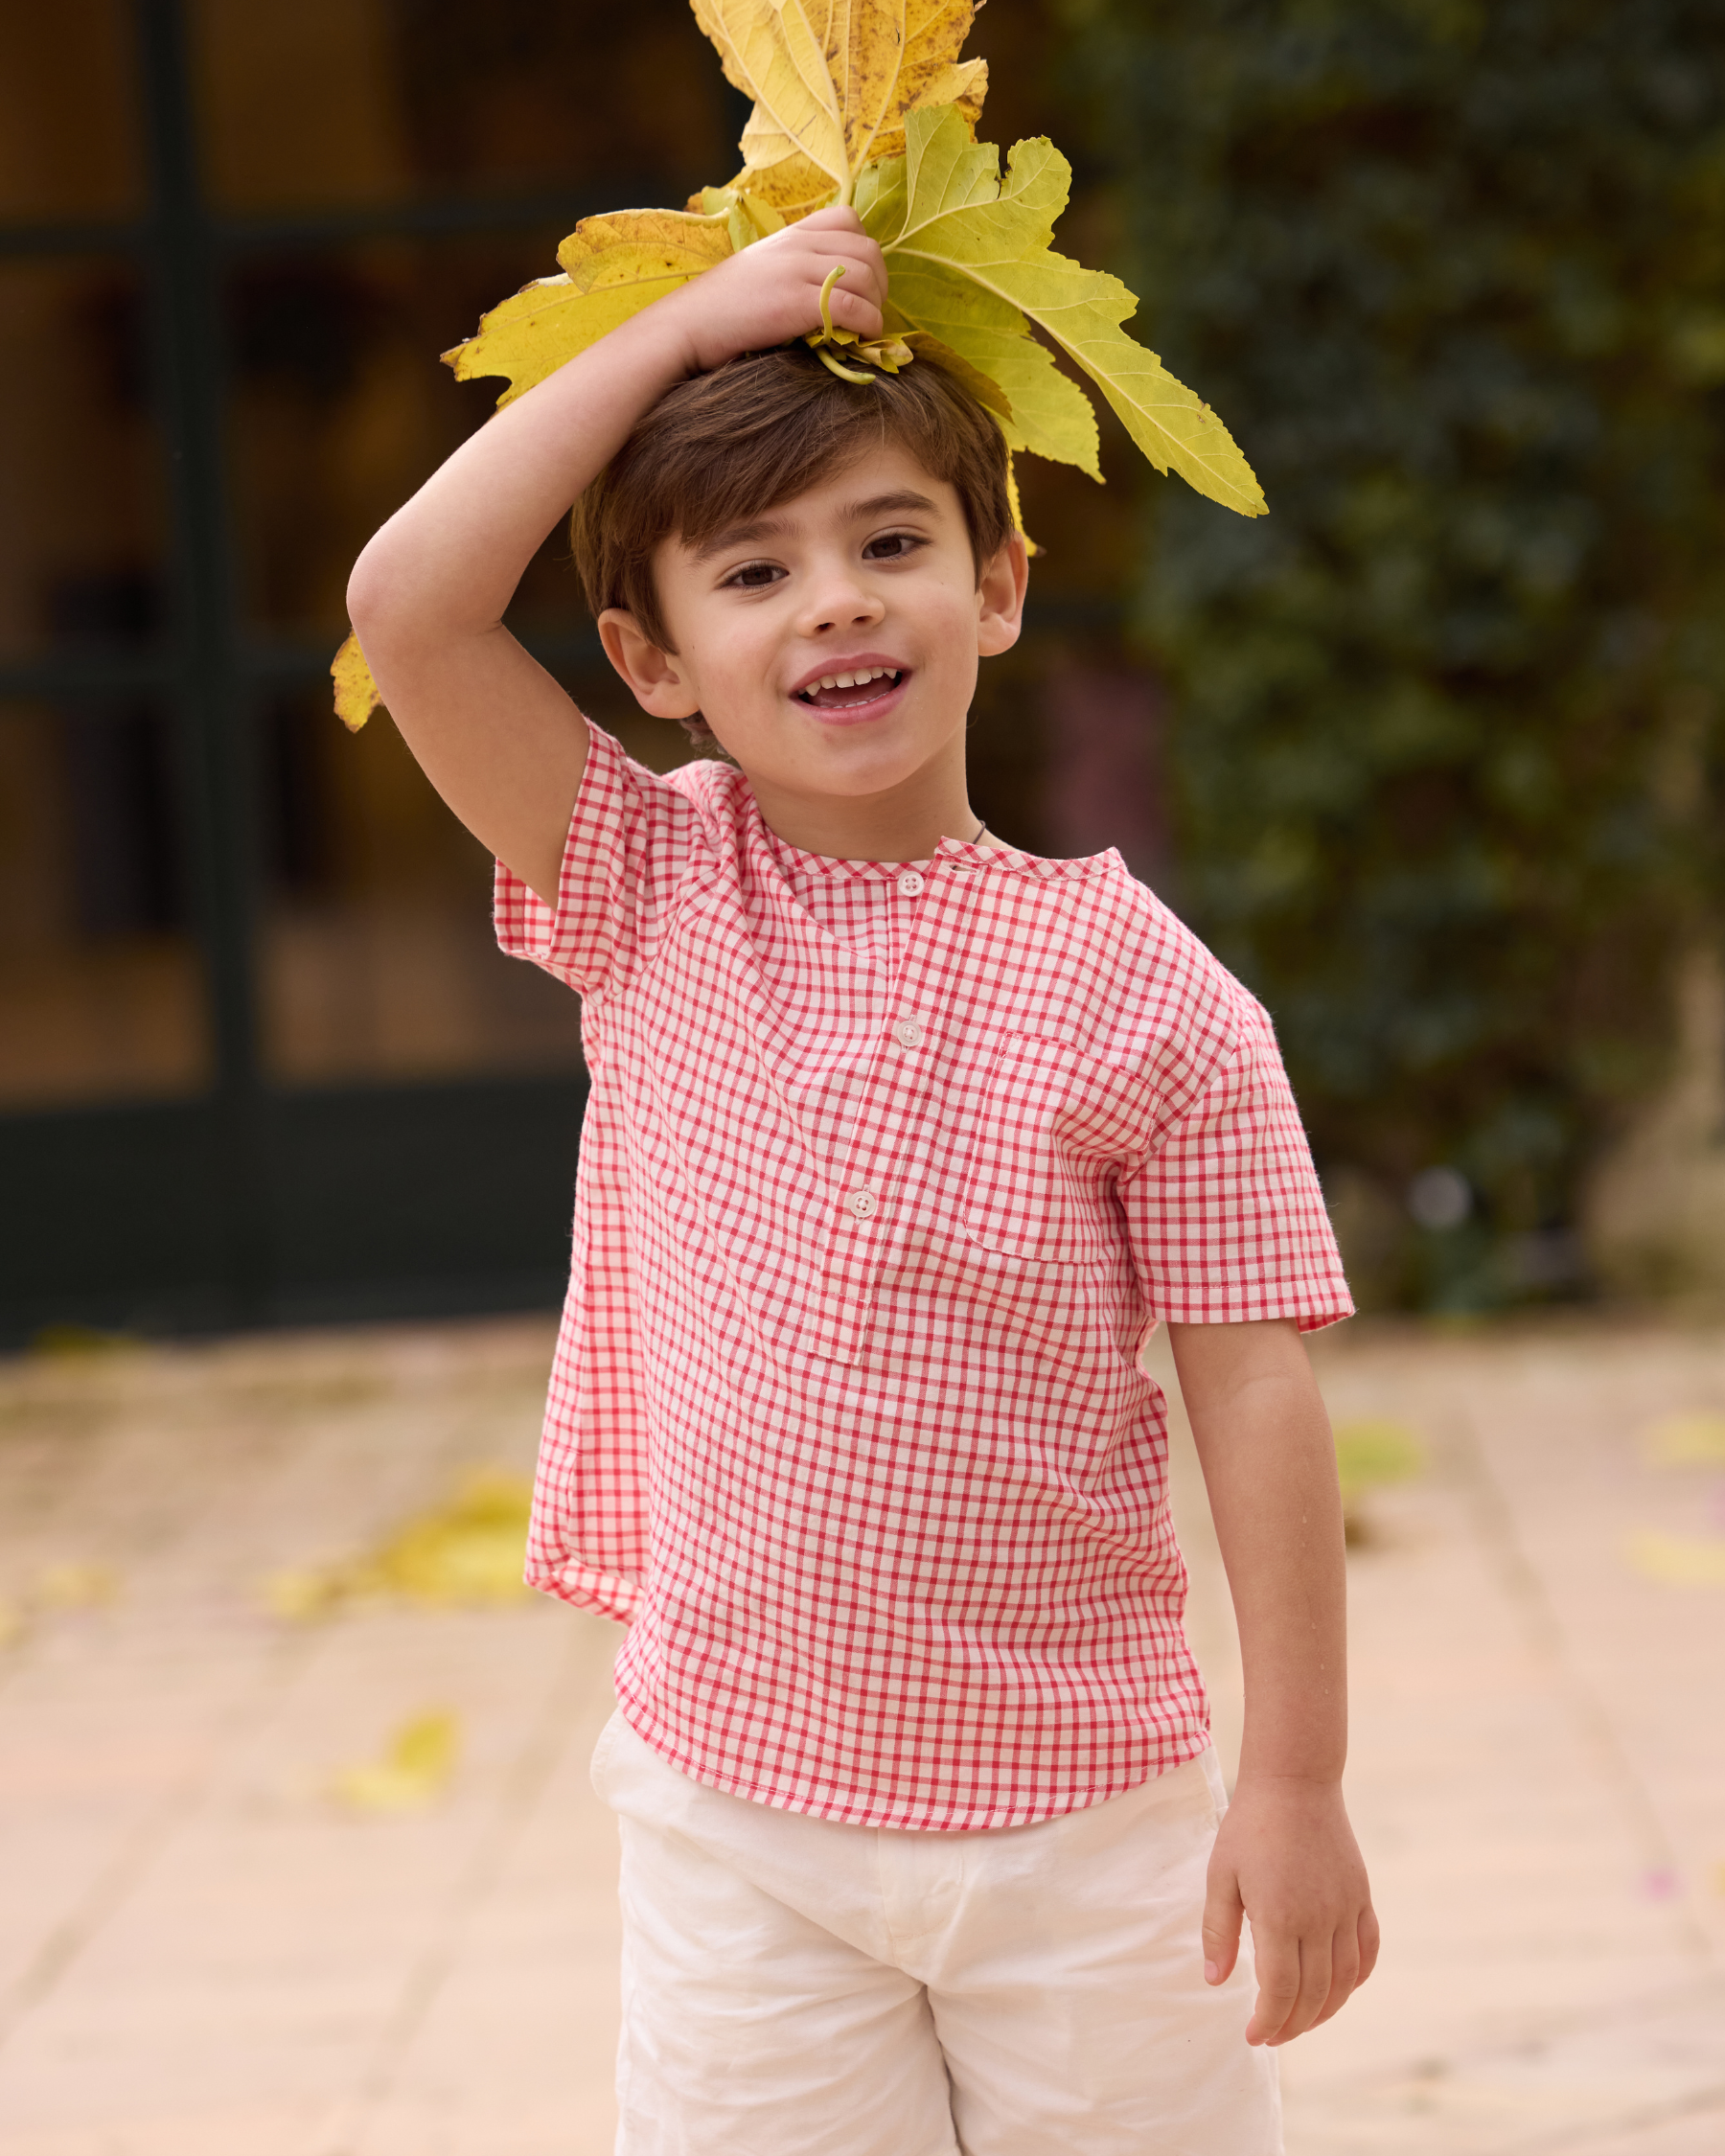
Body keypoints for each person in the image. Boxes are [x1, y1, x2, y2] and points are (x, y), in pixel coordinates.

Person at [347, 204, 1378, 2156]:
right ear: (653, 660)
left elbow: (1255, 1384)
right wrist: (686, 333)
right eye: (756, 570)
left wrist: (1298, 1782)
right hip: (744, 1813)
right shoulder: (643, 884)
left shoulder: (1147, 993)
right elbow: (409, 604)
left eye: (890, 544)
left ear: (995, 588)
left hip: (1083, 1819)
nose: (834, 602)